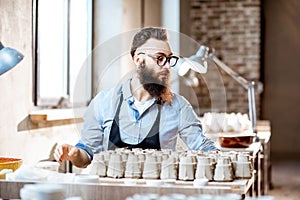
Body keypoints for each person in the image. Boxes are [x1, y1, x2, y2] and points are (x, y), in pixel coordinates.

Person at [54, 27, 218, 168]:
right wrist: (74, 154)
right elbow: (86, 154)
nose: (168, 66)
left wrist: (218, 155)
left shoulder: (179, 107)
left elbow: (201, 145)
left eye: (169, 59)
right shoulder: (103, 102)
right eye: (160, 58)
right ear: (139, 60)